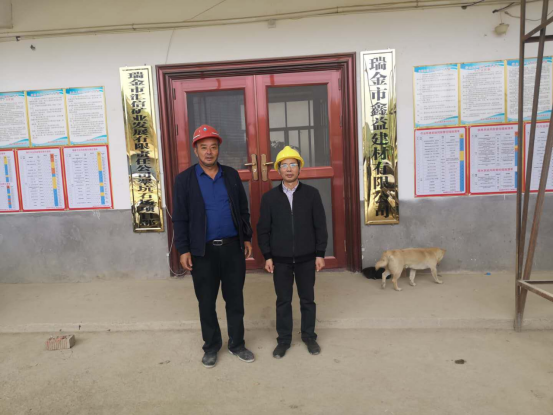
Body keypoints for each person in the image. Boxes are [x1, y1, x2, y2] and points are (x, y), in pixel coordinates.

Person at [172, 124, 254, 368]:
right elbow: (180, 218)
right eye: (203, 147)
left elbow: (243, 210)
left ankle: (237, 344)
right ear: (195, 150)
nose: (209, 152)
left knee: (235, 300)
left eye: (213, 147)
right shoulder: (184, 180)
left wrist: (246, 237)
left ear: (219, 150)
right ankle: (211, 346)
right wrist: (184, 249)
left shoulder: (231, 175)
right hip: (203, 252)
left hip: (232, 248)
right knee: (206, 302)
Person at [257, 146, 328, 359]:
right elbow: (263, 229)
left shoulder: (312, 195)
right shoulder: (269, 198)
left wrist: (320, 253)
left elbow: (320, 226)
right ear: (278, 170)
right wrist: (268, 256)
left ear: (299, 168)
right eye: (284, 165)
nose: (289, 169)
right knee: (283, 301)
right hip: (280, 260)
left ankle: (309, 336)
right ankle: (284, 340)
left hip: (307, 258)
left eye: (293, 165)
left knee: (307, 299)